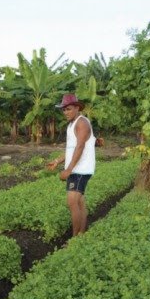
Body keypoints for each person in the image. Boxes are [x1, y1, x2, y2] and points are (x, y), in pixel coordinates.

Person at [47, 93, 96, 236]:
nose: (65, 112)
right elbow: (71, 149)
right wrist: (58, 161)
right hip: (76, 169)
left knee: (72, 202)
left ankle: (75, 238)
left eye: (68, 109)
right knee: (79, 202)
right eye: (63, 110)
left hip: (80, 170)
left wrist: (69, 170)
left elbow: (80, 147)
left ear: (77, 108)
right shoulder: (71, 125)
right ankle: (81, 234)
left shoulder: (82, 123)